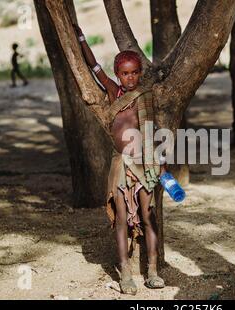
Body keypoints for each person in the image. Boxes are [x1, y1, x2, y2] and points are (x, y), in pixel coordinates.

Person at [74, 24, 165, 295]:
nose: (130, 78)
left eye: (135, 73)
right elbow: (94, 67)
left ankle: (152, 270)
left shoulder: (145, 98)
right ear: (118, 75)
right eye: (125, 74)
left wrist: (160, 162)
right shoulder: (114, 93)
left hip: (143, 163)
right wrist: (80, 38)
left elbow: (154, 132)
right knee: (122, 219)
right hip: (120, 164)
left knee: (149, 217)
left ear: (140, 73)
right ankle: (125, 271)